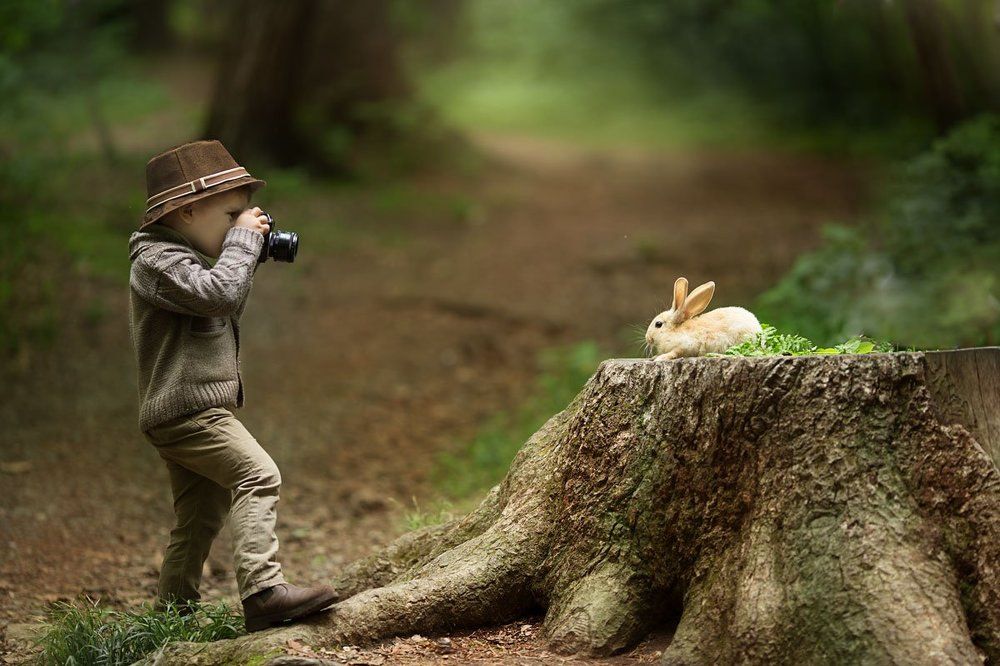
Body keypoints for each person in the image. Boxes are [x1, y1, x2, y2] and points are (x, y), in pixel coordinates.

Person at [127, 139, 337, 632]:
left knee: (199, 515)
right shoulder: (154, 263)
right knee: (258, 475)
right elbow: (219, 296)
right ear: (186, 211)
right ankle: (263, 593)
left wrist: (240, 248)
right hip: (187, 413)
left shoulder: (186, 257)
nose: (242, 223)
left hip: (183, 411)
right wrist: (242, 244)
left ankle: (172, 615)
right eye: (232, 215)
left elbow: (222, 293)